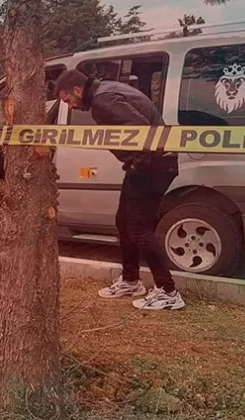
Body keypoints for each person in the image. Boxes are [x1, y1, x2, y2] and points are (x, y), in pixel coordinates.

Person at [54, 69, 185, 311]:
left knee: (139, 228)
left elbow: (143, 131)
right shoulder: (106, 91)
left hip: (153, 165)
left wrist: (138, 161)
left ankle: (168, 291)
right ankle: (131, 280)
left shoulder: (103, 100)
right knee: (123, 222)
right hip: (150, 164)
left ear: (77, 90)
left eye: (67, 100)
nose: (70, 106)